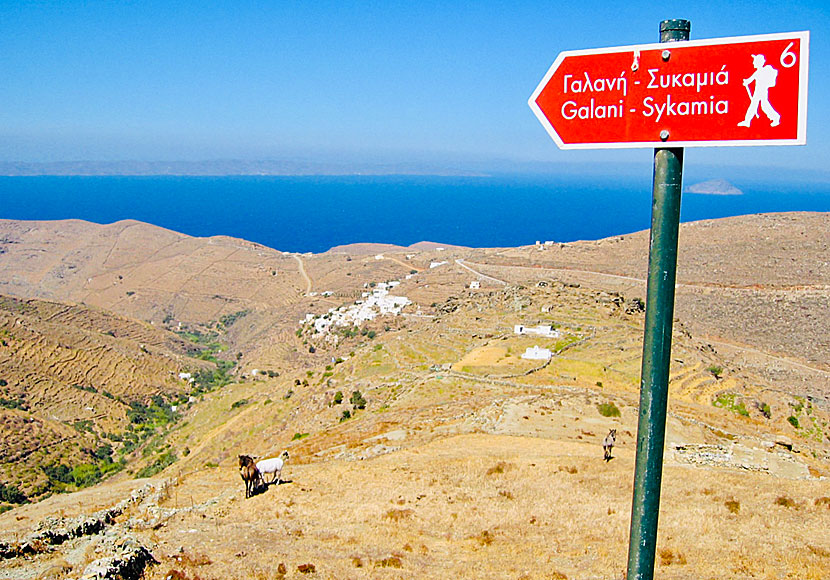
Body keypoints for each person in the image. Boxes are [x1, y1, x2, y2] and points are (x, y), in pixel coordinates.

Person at [738, 54, 780, 128]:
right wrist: (746, 81)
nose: (753, 63)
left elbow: (750, 80)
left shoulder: (761, 72)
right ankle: (747, 121)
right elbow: (750, 79)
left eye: (754, 61)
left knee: (763, 106)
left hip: (761, 92)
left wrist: (746, 82)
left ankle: (776, 117)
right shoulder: (757, 72)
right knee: (755, 105)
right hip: (758, 92)